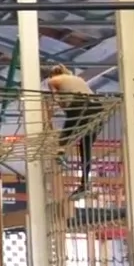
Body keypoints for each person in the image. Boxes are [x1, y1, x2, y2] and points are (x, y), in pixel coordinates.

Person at [43, 63, 98, 191]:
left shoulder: (53, 80)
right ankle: (85, 182)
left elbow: (56, 99)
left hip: (79, 106)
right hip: (97, 109)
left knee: (65, 134)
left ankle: (60, 152)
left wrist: (60, 110)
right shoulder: (78, 79)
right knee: (86, 147)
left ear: (53, 74)